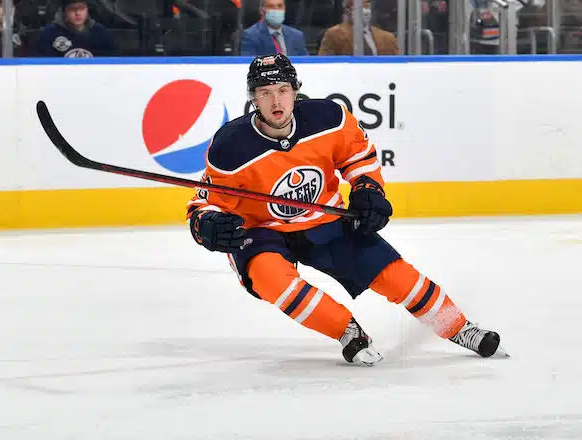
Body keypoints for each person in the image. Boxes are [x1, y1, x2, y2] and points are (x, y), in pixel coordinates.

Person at [187, 54, 504, 366]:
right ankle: (346, 330)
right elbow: (205, 203)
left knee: (394, 275)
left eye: (283, 90)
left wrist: (368, 189)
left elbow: (358, 157)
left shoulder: (329, 119)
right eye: (265, 93)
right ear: (253, 98)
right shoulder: (231, 146)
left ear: (295, 91)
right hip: (262, 229)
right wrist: (209, 225)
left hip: (324, 217)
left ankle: (459, 327)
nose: (276, 101)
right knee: (271, 279)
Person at [36, 0, 116, 57]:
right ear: (64, 12)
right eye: (72, 9)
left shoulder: (100, 32)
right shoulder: (49, 33)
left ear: (87, 10)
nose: (78, 13)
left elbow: (113, 60)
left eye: (82, 8)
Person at [318, 0, 398, 56]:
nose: (366, 11)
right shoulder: (334, 34)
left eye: (368, 7)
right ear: (347, 11)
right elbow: (325, 64)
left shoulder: (388, 38)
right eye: (361, 7)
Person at [241, 0, 308, 56]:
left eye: (280, 6)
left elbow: (306, 63)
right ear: (261, 11)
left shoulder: (297, 35)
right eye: (271, 6)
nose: (276, 10)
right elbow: (249, 64)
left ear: (284, 9)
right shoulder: (250, 35)